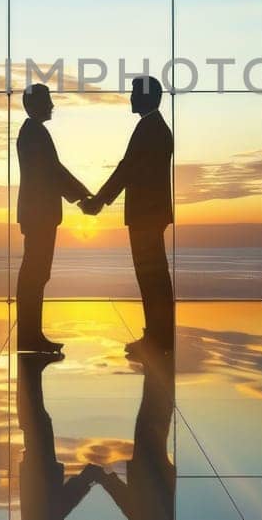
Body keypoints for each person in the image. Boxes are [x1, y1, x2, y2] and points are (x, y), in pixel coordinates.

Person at [81, 76, 174, 356]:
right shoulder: (153, 127)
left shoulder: (149, 129)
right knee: (153, 276)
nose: (130, 98)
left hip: (145, 215)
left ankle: (158, 338)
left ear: (147, 97)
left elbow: (126, 169)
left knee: (151, 276)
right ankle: (158, 334)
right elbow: (129, 169)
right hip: (149, 214)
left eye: (134, 93)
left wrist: (98, 201)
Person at [15, 83, 93, 353]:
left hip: (39, 215)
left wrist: (82, 195)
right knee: (34, 274)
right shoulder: (34, 133)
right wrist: (83, 197)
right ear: (34, 104)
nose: (52, 105)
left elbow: (53, 172)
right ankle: (29, 337)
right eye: (47, 100)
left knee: (37, 274)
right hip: (39, 215)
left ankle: (31, 335)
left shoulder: (33, 132)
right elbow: (54, 172)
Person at [16, 352, 108, 520]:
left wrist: (89, 476)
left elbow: (65, 502)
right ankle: (30, 369)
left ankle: (29, 367)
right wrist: (88, 477)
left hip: (40, 471)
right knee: (35, 421)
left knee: (35, 419)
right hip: (38, 471)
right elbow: (65, 502)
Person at [98, 348, 176, 520]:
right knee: (152, 417)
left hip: (148, 466)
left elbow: (124, 500)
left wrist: (105, 478)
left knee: (153, 417)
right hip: (149, 466)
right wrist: (103, 478)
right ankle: (159, 364)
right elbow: (124, 500)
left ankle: (158, 365)